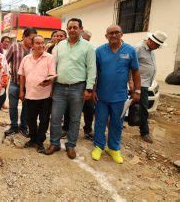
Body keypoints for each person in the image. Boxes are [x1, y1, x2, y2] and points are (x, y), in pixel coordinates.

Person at [46, 18, 96, 159]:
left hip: (78, 88)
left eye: (75, 27)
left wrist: (89, 88)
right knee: (55, 117)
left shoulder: (88, 47)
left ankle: (71, 145)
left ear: (81, 29)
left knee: (74, 118)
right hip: (59, 88)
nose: (72, 30)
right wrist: (50, 83)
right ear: (67, 29)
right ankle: (54, 143)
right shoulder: (59, 46)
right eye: (70, 27)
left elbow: (92, 69)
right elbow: (52, 65)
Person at [92, 25, 141, 164]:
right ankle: (98, 146)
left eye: (116, 33)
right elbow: (95, 72)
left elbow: (136, 71)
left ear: (121, 34)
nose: (113, 35)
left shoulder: (130, 50)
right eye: (110, 33)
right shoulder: (100, 51)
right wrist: (94, 90)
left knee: (117, 123)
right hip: (101, 95)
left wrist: (137, 90)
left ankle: (114, 149)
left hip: (120, 96)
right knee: (100, 122)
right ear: (106, 36)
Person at [18, 35, 56, 153]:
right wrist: (21, 91)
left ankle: (40, 141)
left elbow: (52, 74)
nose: (41, 45)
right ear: (32, 45)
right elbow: (22, 76)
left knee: (44, 120)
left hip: (45, 96)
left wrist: (49, 81)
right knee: (30, 119)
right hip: (30, 95)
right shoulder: (26, 59)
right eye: (38, 43)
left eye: (42, 43)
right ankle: (33, 139)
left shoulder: (49, 58)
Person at [134, 30, 167, 144]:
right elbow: (130, 66)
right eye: (157, 45)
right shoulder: (138, 48)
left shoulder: (151, 50)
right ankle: (144, 132)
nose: (158, 47)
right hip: (140, 84)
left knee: (138, 107)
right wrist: (132, 83)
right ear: (151, 41)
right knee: (143, 108)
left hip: (147, 83)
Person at [4, 28, 38, 137]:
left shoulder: (34, 50)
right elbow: (5, 62)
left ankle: (24, 127)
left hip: (29, 85)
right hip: (14, 83)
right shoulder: (14, 46)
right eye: (31, 38)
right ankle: (14, 126)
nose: (32, 41)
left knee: (26, 108)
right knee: (13, 107)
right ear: (24, 37)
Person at [62, 29, 94, 140]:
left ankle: (87, 130)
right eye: (84, 39)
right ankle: (65, 128)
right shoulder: (70, 47)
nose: (85, 42)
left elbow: (93, 69)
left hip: (87, 85)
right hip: (75, 85)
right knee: (69, 108)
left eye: (87, 40)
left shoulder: (90, 48)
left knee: (89, 109)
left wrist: (91, 88)